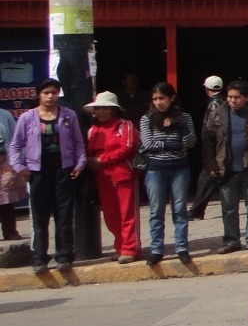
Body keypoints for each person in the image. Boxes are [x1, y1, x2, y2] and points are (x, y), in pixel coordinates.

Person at [6, 79, 84, 274]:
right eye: (47, 92)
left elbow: (78, 143)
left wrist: (80, 164)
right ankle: (39, 258)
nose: (51, 96)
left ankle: (64, 256)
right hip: (38, 172)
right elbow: (15, 146)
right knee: (40, 218)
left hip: (63, 171)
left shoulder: (69, 115)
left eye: (54, 93)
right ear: (39, 95)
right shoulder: (27, 118)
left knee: (64, 216)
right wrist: (20, 167)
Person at [202, 79, 248, 253]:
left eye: (237, 97)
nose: (232, 101)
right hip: (226, 168)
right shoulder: (218, 113)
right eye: (229, 97)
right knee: (228, 207)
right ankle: (231, 240)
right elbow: (208, 140)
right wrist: (210, 163)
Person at [141, 82, 197, 265]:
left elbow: (190, 142)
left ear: (171, 98)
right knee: (156, 210)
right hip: (156, 169)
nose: (158, 102)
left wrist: (180, 126)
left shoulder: (184, 118)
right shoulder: (147, 119)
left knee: (180, 209)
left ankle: (181, 247)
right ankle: (157, 249)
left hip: (179, 168)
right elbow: (148, 144)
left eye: (162, 98)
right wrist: (174, 145)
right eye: (155, 99)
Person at [84, 91, 143, 263]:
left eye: (105, 108)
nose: (101, 112)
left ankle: (131, 248)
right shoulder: (92, 130)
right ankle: (120, 246)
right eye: (98, 108)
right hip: (102, 178)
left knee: (127, 213)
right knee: (111, 216)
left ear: (114, 110)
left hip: (124, 175)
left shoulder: (125, 125)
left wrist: (102, 160)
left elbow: (127, 148)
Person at [188, 75, 226, 220]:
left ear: (206, 88)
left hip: (216, 148)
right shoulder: (224, 101)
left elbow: (211, 130)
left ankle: (196, 211)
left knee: (206, 179)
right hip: (221, 147)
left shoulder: (213, 104)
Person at [0, 106, 27, 240]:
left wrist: (18, 161)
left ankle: (10, 231)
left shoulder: (5, 115)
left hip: (5, 163)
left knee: (6, 198)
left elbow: (16, 140)